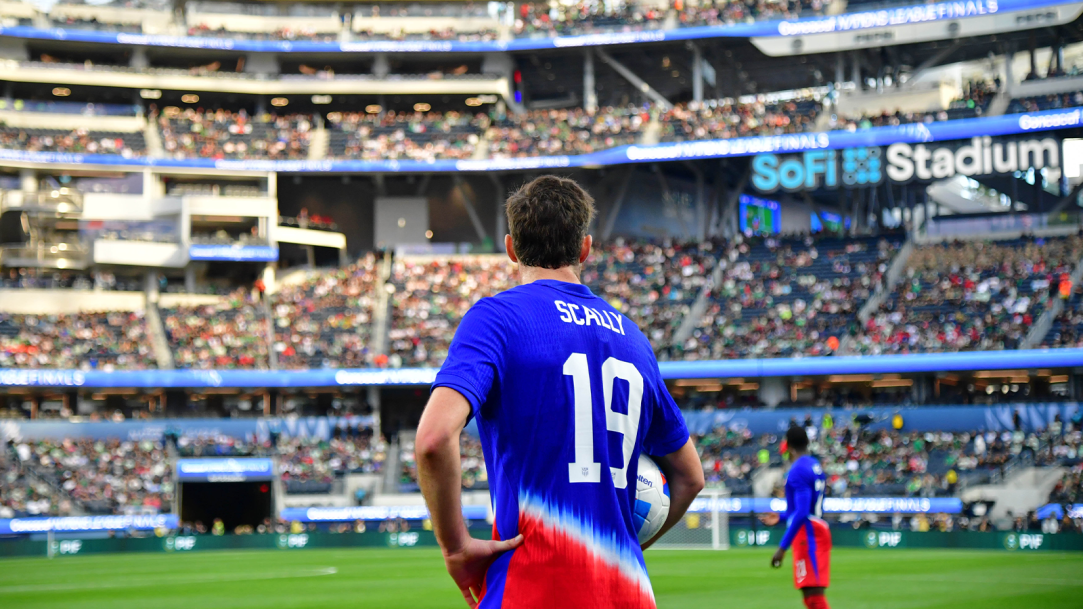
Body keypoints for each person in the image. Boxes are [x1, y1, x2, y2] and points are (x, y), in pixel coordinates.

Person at [416, 175, 704, 609]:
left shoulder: (496, 319)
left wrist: (456, 547)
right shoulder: (633, 339)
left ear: (511, 248)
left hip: (530, 589)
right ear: (585, 248)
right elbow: (691, 477)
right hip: (628, 594)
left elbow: (434, 440)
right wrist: (630, 542)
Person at [759, 426, 832, 609]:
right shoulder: (814, 465)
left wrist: (782, 548)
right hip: (816, 529)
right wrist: (783, 517)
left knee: (813, 596)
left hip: (809, 535)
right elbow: (805, 508)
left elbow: (802, 512)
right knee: (810, 596)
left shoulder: (797, 469)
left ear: (788, 447)